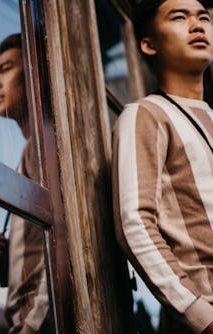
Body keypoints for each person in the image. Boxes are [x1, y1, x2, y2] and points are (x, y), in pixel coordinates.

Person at [112, 0, 213, 333]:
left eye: (204, 18)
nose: (197, 25)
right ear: (148, 43)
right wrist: (200, 315)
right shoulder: (146, 115)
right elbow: (135, 223)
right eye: (180, 17)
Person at [0, 33, 49, 333]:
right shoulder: (30, 153)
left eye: (6, 69)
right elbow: (42, 251)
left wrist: (29, 328)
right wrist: (7, 257)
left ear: (34, 74)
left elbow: (63, 256)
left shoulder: (44, 148)